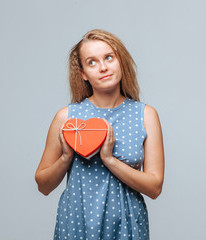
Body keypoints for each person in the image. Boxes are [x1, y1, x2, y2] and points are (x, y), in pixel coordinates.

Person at [35, 29, 165, 240]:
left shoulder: (146, 115)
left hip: (127, 225)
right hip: (77, 223)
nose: (103, 67)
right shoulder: (67, 118)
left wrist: (109, 160)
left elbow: (154, 187)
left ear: (120, 61)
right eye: (92, 62)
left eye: (108, 58)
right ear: (83, 74)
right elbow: (43, 186)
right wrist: (66, 157)